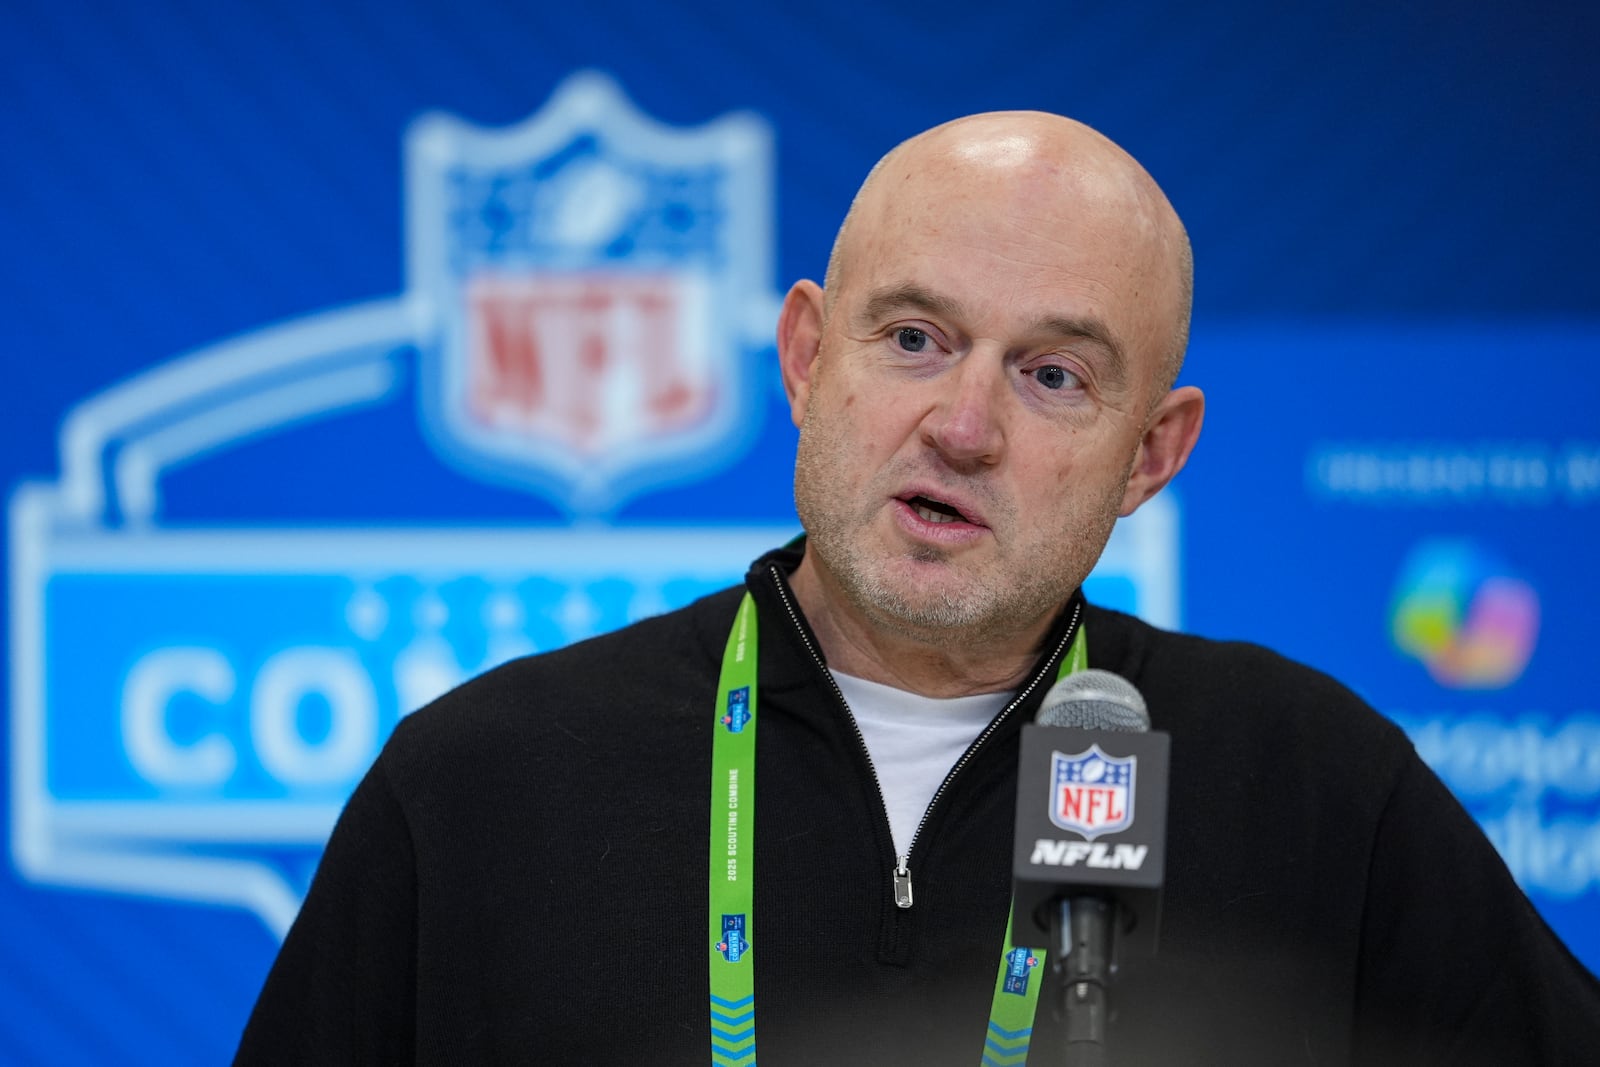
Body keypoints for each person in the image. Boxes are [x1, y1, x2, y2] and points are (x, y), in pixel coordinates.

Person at [236, 112, 1600, 1065]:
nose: (962, 424)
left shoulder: (1312, 787)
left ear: (1152, 453)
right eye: (913, 338)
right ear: (805, 358)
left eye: (1052, 373)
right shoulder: (482, 785)